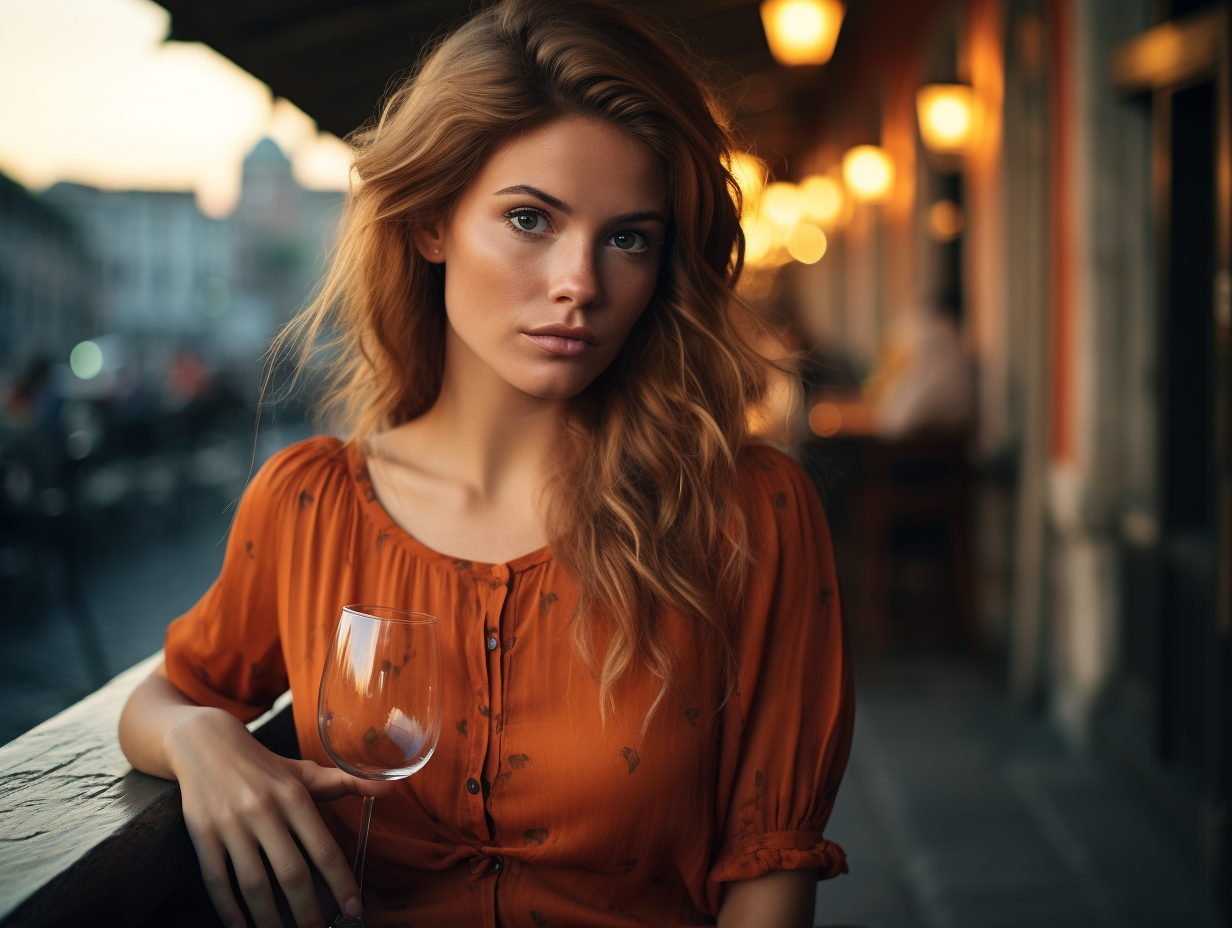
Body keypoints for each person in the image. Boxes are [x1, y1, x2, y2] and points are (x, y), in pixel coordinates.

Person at [118, 1, 854, 925]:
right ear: (432, 223)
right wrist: (199, 743)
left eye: (629, 237)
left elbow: (768, 878)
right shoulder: (309, 504)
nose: (580, 283)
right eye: (530, 219)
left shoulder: (747, 513)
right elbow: (168, 692)